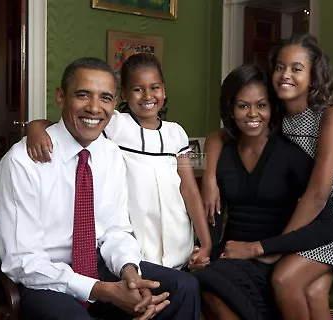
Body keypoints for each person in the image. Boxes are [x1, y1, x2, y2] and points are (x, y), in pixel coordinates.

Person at [0, 57, 201, 320]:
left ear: (114, 104)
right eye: (82, 95)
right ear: (60, 97)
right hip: (37, 278)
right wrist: (105, 291)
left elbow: (116, 230)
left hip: (95, 264)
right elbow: (24, 261)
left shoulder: (110, 154)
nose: (94, 108)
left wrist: (129, 273)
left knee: (183, 287)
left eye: (105, 98)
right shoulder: (23, 161)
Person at [202, 34, 333, 320]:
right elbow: (219, 135)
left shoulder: (330, 118)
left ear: (313, 76)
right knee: (312, 291)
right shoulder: (276, 114)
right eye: (279, 67)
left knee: (284, 277)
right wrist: (210, 177)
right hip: (322, 212)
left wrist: (273, 248)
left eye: (296, 69)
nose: (285, 75)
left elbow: (317, 195)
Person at [25, 53, 211, 271]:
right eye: (137, 89)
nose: (147, 95)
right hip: (135, 242)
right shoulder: (114, 124)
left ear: (164, 90)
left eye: (155, 87)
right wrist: (34, 127)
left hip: (178, 238)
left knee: (180, 291)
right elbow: (66, 126)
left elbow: (189, 189)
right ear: (123, 95)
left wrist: (205, 243)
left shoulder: (177, 133)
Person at [193, 64, 333, 320]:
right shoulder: (223, 153)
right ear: (230, 109)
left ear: (272, 109)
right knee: (201, 281)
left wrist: (262, 249)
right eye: (242, 106)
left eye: (261, 105)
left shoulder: (290, 154)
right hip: (233, 254)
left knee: (213, 283)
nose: (253, 114)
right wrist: (204, 250)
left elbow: (328, 226)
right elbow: (213, 214)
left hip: (274, 256)